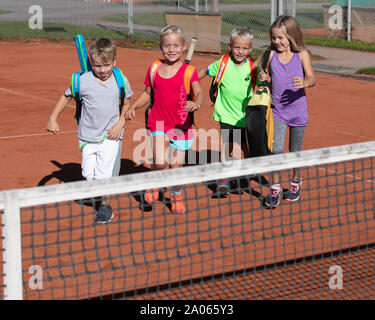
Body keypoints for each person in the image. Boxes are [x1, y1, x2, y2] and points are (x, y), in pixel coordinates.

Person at [46, 38, 133, 223]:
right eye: (97, 66)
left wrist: (120, 123)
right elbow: (65, 97)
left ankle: (105, 207)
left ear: (114, 62)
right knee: (87, 173)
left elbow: (126, 102)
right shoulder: (82, 81)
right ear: (91, 63)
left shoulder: (120, 79)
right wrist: (53, 118)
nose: (102, 70)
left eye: (107, 65)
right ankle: (99, 192)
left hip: (111, 135)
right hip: (87, 136)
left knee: (103, 175)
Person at [126, 25, 204, 214]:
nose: (171, 49)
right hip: (158, 122)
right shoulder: (154, 67)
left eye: (176, 45)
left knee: (175, 167)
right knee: (160, 162)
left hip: (182, 126)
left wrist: (197, 104)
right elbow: (147, 93)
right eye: (167, 45)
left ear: (184, 46)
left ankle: (176, 194)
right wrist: (133, 106)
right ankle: (154, 183)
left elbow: (199, 92)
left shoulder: (189, 71)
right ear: (161, 47)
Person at [259, 15, 316, 207]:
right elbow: (268, 78)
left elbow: (312, 78)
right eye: (274, 38)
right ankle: (274, 188)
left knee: (295, 152)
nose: (276, 41)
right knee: (276, 151)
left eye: (280, 38)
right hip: (278, 112)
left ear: (291, 36)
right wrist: (265, 78)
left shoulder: (302, 55)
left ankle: (295, 183)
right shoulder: (271, 55)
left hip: (298, 112)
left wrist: (305, 82)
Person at [198, 26, 261, 195]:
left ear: (250, 49)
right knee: (227, 147)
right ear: (229, 46)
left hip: (246, 116)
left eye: (244, 48)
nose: (240, 51)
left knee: (246, 147)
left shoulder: (253, 67)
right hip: (225, 114)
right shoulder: (223, 63)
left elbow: (265, 84)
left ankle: (248, 170)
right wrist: (189, 79)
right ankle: (223, 179)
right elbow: (204, 71)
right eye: (237, 47)